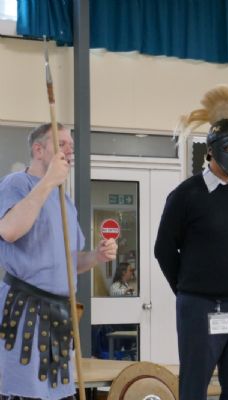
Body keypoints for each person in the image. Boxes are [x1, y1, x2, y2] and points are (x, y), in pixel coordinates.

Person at [154, 85, 228, 400]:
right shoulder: (186, 195)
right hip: (200, 307)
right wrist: (189, 290)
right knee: (194, 386)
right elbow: (163, 250)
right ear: (211, 150)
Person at [0, 123, 118, 400]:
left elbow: (70, 261)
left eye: (71, 146)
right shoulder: (17, 184)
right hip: (25, 310)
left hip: (59, 316)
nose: (69, 151)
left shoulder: (65, 201)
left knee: (58, 394)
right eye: (61, 144)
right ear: (38, 150)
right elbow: (9, 229)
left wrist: (96, 256)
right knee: (24, 393)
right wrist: (48, 182)